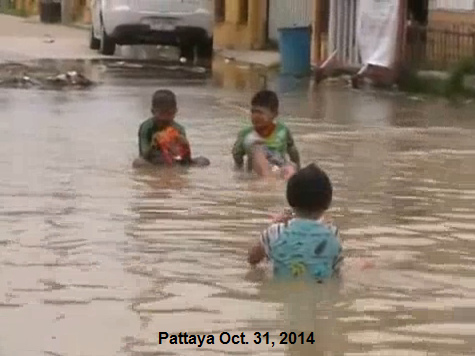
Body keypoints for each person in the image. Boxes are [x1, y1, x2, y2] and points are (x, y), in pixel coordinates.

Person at [248, 163, 344, 281]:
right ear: (327, 203)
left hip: (281, 293)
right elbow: (336, 273)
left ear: (290, 199)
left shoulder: (275, 232)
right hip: (319, 294)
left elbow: (252, 259)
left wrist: (273, 224)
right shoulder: (332, 233)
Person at [232, 90, 300, 180]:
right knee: (257, 148)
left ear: (274, 114)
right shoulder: (246, 134)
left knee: (290, 168)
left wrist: (298, 167)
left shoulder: (283, 131)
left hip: (280, 169)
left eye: (260, 112)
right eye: (253, 112)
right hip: (257, 172)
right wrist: (239, 171)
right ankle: (267, 179)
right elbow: (237, 154)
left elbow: (292, 150)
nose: (255, 116)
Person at [136, 89, 209, 168]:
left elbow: (185, 157)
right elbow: (143, 154)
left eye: (170, 113)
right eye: (161, 113)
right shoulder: (146, 127)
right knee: (138, 163)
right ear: (153, 111)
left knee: (203, 161)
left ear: (175, 111)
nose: (165, 117)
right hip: (154, 161)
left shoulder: (179, 129)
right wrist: (155, 143)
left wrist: (184, 145)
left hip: (174, 160)